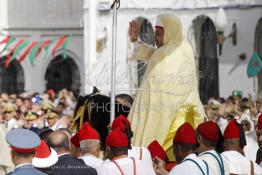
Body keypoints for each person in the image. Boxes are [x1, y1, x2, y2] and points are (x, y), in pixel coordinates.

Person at [128, 14, 205, 148]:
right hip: (186, 124)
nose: (155, 39)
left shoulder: (169, 52)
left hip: (171, 126)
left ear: (169, 32)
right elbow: (153, 54)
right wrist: (135, 41)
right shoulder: (185, 48)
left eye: (158, 34)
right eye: (155, 34)